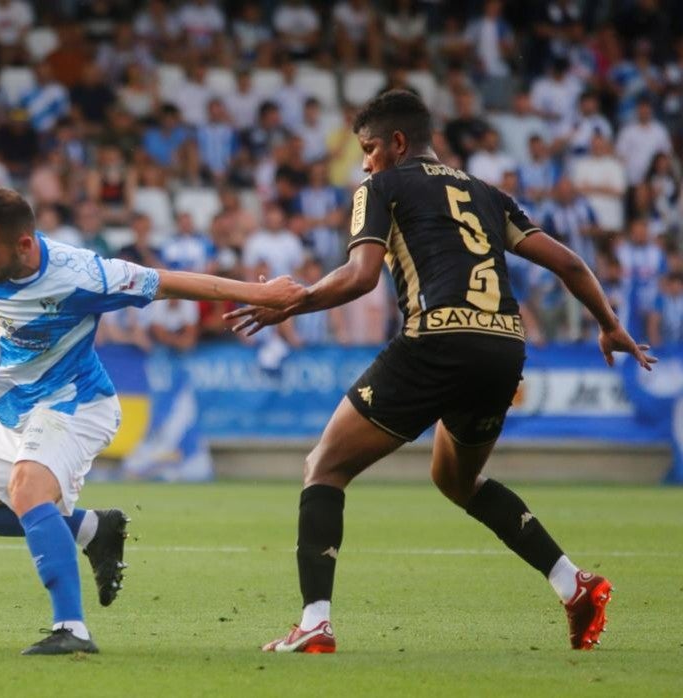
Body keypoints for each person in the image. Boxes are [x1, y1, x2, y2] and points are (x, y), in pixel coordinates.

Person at [226, 91, 656, 654]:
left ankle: (314, 623)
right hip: (503, 347)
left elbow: (360, 277)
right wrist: (609, 324)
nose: (365, 162)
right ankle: (573, 584)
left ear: (397, 144)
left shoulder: (382, 187)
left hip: (437, 339)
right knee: (455, 480)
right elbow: (571, 263)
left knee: (324, 467)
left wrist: (295, 300)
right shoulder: (487, 194)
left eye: (370, 148)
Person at [0, 187, 303, 655]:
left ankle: (73, 629)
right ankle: (92, 529)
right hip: (17, 409)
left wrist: (260, 293)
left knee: (26, 490)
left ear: (24, 244)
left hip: (75, 404)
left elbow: (169, 281)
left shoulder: (83, 274)